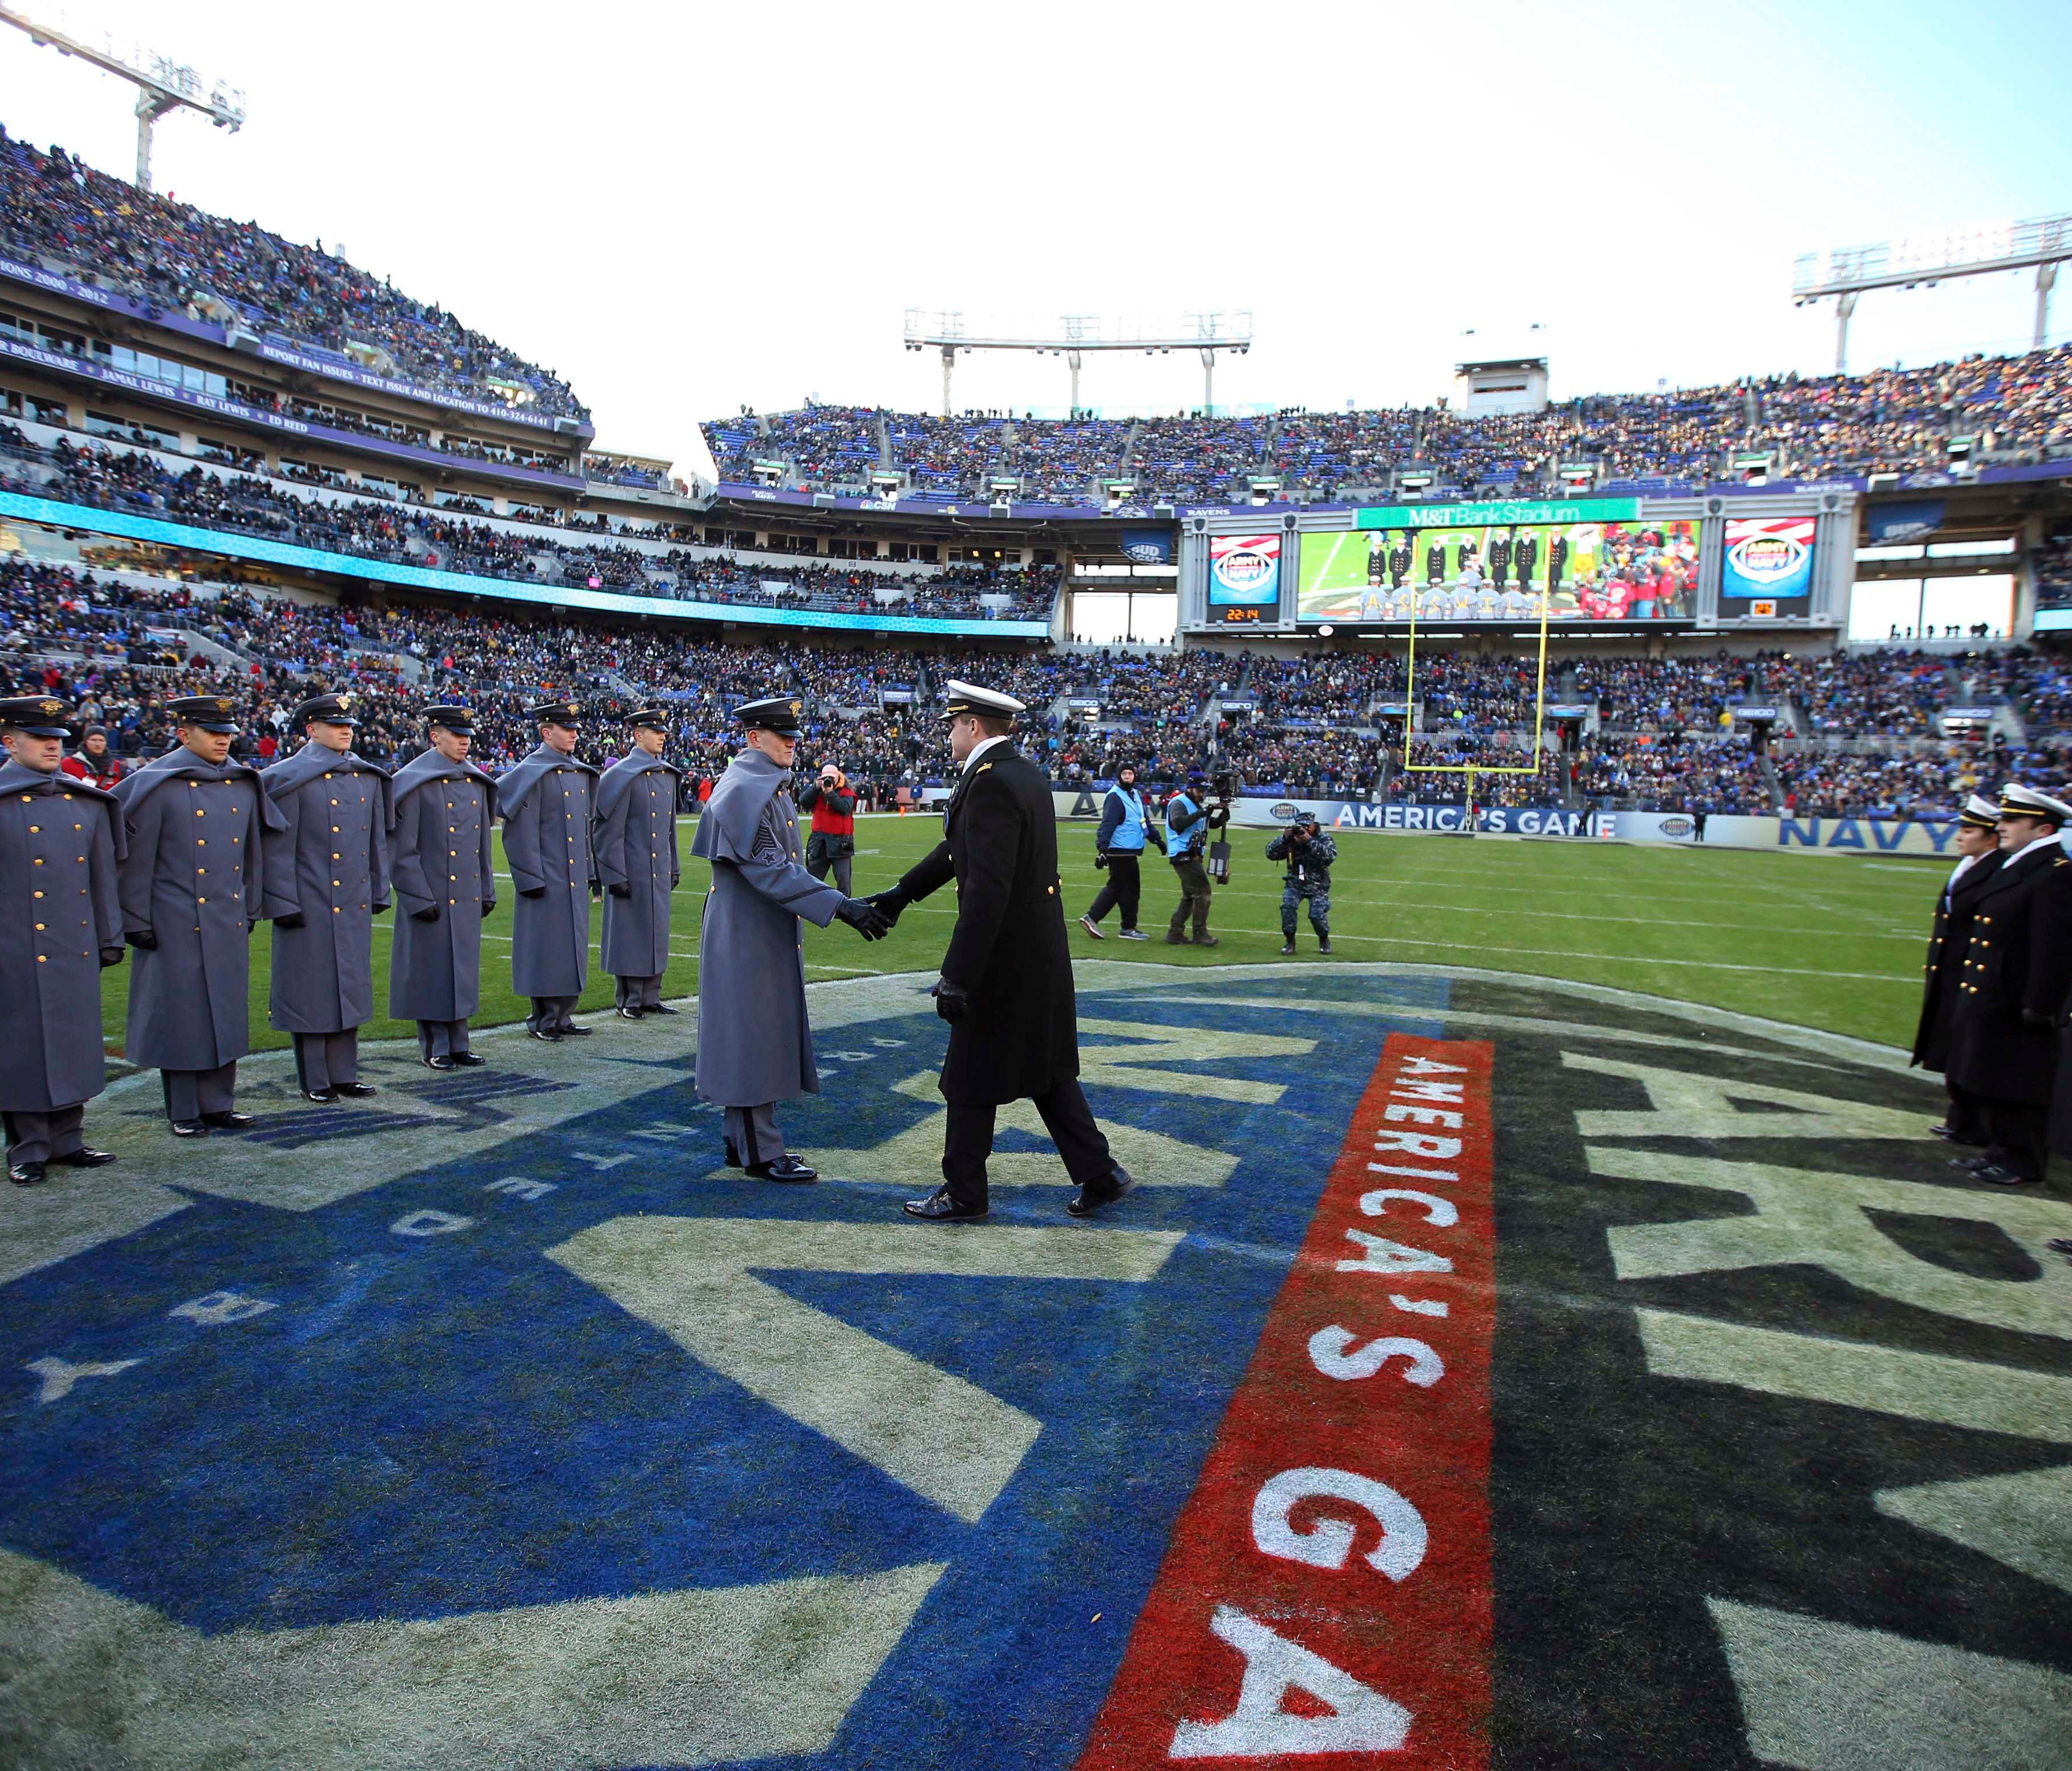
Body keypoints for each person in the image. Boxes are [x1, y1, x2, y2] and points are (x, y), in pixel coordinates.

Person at [865, 680, 1133, 1223]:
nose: (948, 734)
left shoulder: (989, 784)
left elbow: (987, 889)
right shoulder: (1023, 772)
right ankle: (1100, 1175)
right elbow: (957, 849)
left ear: (973, 726)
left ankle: (965, 1192)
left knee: (968, 1074)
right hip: (1037, 947)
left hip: (1003, 953)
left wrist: (957, 975)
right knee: (1047, 1069)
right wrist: (901, 894)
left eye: (952, 724)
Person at [690, 693, 890, 1181]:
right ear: (755, 737)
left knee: (752, 1034)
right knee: (753, 1038)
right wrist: (840, 906)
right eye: (783, 737)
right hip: (747, 934)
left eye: (795, 739)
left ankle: (742, 1143)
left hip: (754, 928)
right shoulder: (744, 787)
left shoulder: (759, 783)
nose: (792, 746)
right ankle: (762, 1152)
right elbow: (772, 869)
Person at [115, 694, 285, 1136]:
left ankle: (219, 1103)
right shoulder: (160, 784)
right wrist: (135, 919)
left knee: (224, 1012)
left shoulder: (242, 783)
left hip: (226, 917)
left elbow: (252, 854)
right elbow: (138, 862)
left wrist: (250, 907)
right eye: (212, 732)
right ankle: (184, 1109)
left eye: (227, 733)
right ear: (183, 732)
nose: (223, 741)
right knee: (182, 1015)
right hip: (174, 920)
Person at [0, 695, 124, 1184]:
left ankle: (69, 1138)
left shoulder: (83, 800)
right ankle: (27, 1148)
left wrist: (109, 935)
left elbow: (101, 877)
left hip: (73, 943)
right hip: (13, 946)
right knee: (22, 1047)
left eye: (57, 740)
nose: (53, 747)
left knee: (73, 1042)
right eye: (40, 739)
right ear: (9, 742)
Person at [259, 693, 391, 1103]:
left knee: (349, 988)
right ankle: (315, 1078)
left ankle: (345, 1073)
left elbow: (376, 841)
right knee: (310, 992)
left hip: (352, 900)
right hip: (309, 902)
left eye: (349, 724)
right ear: (311, 729)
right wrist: (283, 902)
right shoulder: (287, 777)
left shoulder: (366, 777)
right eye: (336, 724)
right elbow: (277, 850)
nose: (346, 730)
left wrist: (379, 888)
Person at [1943, 783, 2072, 1188]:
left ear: (2044, 829)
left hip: (2017, 998)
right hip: (1996, 993)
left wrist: (2040, 1003)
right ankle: (1999, 1150)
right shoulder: (2019, 866)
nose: (2002, 826)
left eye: (2013, 820)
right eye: (2002, 818)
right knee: (1992, 1076)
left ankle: (2024, 1159)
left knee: (2019, 1081)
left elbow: (2052, 946)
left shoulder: (2053, 874)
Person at [387, 705, 495, 1070]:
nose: (465, 743)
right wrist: (417, 897)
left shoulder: (475, 781)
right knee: (432, 972)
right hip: (431, 894)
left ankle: (459, 1043)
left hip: (465, 894)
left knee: (462, 971)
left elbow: (482, 846)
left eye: (468, 737)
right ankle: (435, 1045)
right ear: (435, 736)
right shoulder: (416, 781)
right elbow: (403, 850)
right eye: (457, 736)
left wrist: (488, 889)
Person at [497, 699, 599, 1042]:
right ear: (546, 732)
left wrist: (591, 871)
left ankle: (564, 1016)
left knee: (572, 949)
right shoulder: (533, 773)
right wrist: (529, 878)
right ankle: (543, 1018)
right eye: (567, 729)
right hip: (547, 879)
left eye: (575, 730)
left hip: (573, 879)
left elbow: (586, 830)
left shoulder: (579, 773)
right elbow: (521, 832)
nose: (574, 735)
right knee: (545, 950)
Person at [1913, 793, 2003, 1147]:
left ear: (1990, 837)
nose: (1960, 835)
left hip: (1969, 971)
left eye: (1969, 829)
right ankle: (1960, 1116)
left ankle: (1973, 1121)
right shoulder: (1969, 864)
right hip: (1952, 970)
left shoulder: (1995, 869)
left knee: (1968, 1047)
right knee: (1951, 1042)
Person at [594, 707, 682, 1019]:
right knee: (631, 934)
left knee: (657, 933)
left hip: (657, 871)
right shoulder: (622, 775)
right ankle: (629, 998)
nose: (661, 738)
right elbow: (609, 830)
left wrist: (674, 866)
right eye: (655, 732)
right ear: (637, 735)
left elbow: (669, 829)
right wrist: (614, 873)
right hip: (631, 869)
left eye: (663, 733)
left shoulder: (667, 775)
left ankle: (650, 995)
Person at [1079, 762, 1154, 941]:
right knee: (1126, 888)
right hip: (1120, 850)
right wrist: (1102, 849)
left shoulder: (1134, 794)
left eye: (1130, 774)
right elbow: (1108, 824)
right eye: (1125, 774)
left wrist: (1156, 840)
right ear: (1119, 776)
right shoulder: (1115, 797)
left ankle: (1100, 919)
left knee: (1120, 887)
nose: (1128, 777)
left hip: (1128, 850)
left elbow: (1143, 820)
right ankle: (1124, 927)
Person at [1163, 776, 1224, 947]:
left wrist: (1221, 817)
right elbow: (1178, 824)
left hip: (1190, 854)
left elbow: (1207, 824)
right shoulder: (1179, 803)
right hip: (1184, 853)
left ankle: (1175, 933)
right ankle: (1200, 933)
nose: (1202, 794)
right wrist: (1202, 812)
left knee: (1190, 896)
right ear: (1190, 788)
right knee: (1203, 893)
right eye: (1200, 791)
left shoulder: (1195, 804)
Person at [1267, 814, 1337, 955]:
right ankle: (1290, 941)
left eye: (1307, 826)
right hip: (1295, 882)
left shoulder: (1324, 838)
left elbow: (1330, 857)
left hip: (1318, 885)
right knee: (1288, 907)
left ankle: (1324, 939)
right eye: (1301, 827)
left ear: (1314, 826)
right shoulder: (1291, 840)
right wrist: (1284, 839)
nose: (1303, 830)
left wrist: (1309, 841)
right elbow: (1271, 854)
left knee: (1316, 915)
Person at [798, 760, 858, 895]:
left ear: (838, 776)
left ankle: (845, 910)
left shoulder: (846, 792)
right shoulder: (816, 792)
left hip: (841, 842)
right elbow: (803, 802)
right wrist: (815, 787)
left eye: (831, 777)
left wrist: (830, 794)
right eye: (826, 778)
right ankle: (810, 907)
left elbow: (845, 809)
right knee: (813, 879)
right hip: (820, 841)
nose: (828, 780)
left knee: (843, 881)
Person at [62, 725, 125, 792]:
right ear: (86, 741)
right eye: (93, 740)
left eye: (101, 740)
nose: (98, 744)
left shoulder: (117, 766)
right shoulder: (68, 763)